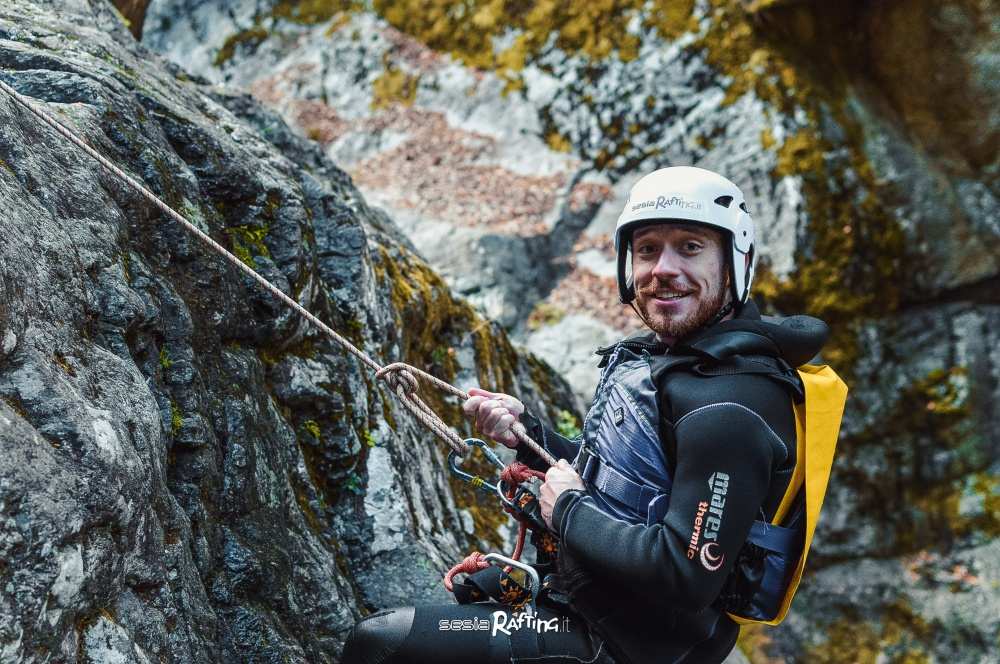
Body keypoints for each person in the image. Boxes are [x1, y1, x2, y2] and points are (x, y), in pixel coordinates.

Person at [341, 166, 833, 664]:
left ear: (734, 263)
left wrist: (569, 511)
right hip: (596, 607)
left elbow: (687, 575)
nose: (663, 268)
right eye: (647, 249)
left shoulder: (730, 408)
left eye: (690, 247)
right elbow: (634, 488)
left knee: (381, 642)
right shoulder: (682, 364)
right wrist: (529, 434)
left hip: (629, 646)